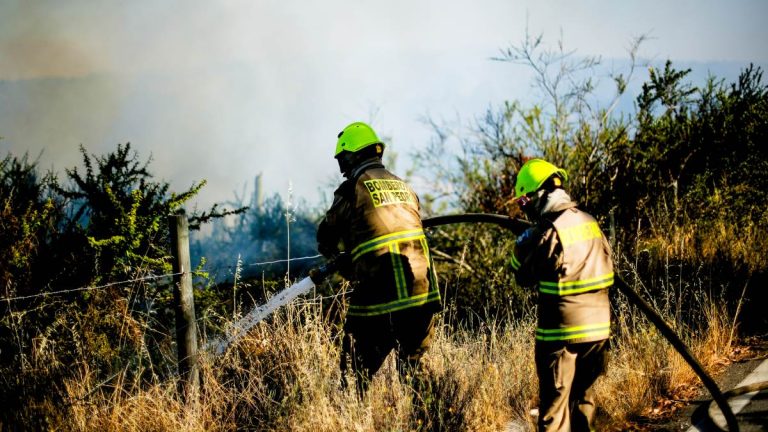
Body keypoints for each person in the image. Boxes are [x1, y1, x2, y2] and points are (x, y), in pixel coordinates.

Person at [316, 121, 441, 397]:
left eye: (342, 159)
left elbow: (326, 236)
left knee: (354, 371)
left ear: (352, 156)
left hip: (381, 289)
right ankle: (431, 415)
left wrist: (343, 263)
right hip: (423, 290)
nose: (342, 167)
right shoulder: (403, 186)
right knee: (414, 371)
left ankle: (352, 415)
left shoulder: (352, 188)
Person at [510, 159, 613, 432]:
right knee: (583, 403)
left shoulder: (546, 232)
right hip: (599, 331)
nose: (523, 208)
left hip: (561, 334)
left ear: (538, 194)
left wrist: (523, 241)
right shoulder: (590, 221)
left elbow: (522, 275)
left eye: (523, 201)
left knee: (554, 413)